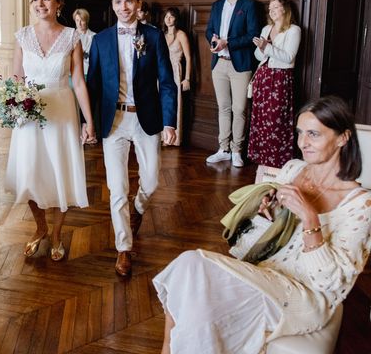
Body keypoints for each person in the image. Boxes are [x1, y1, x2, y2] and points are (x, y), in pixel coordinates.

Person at [153, 96, 371, 354]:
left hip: (305, 297)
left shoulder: (360, 205)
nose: (303, 143)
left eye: (314, 134)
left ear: (343, 138)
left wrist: (310, 219)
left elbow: (330, 283)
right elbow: (249, 247)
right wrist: (266, 216)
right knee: (189, 268)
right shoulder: (293, 169)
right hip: (263, 272)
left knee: (195, 284)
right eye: (300, 133)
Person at [87, 0, 178, 276]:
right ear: (112, 5)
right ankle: (123, 248)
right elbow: (92, 86)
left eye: (129, 2)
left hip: (146, 119)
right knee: (117, 188)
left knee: (150, 181)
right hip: (112, 121)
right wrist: (87, 123)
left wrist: (169, 122)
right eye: (118, 2)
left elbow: (166, 81)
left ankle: (138, 209)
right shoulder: (100, 40)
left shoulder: (153, 37)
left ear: (139, 4)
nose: (123, 8)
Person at [5, 0, 96, 262]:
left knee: (60, 171)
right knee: (31, 172)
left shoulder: (72, 37)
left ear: (58, 3)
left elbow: (79, 82)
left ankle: (57, 233)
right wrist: (12, 107)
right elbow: (16, 80)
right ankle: (40, 227)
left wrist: (88, 121)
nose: (40, 4)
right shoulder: (22, 36)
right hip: (30, 115)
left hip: (61, 112)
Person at [205, 0, 260, 168]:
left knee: (239, 109)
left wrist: (227, 42)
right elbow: (210, 29)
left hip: (241, 65)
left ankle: (237, 150)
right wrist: (212, 38)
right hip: (218, 63)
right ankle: (223, 149)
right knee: (224, 108)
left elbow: (252, 35)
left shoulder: (250, 6)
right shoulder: (217, 5)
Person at [248, 0, 301, 176]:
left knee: (277, 118)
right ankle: (262, 160)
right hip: (263, 76)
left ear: (285, 9)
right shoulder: (266, 29)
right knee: (261, 119)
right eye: (270, 8)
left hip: (280, 77)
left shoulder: (294, 30)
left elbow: (288, 57)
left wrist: (267, 47)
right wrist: (262, 48)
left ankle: (277, 162)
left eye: (275, 7)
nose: (271, 11)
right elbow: (258, 55)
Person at [162, 7, 192, 146]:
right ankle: (161, 136)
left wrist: (187, 78)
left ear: (176, 19)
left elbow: (189, 57)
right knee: (161, 102)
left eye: (171, 16)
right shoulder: (161, 35)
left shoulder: (181, 35)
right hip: (161, 71)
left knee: (174, 102)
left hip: (175, 71)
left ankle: (173, 138)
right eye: (166, 16)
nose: (168, 19)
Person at [73, 8, 96, 75]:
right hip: (73, 71)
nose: (79, 23)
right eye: (77, 20)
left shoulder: (95, 36)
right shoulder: (70, 36)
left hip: (90, 71)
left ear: (86, 21)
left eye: (82, 20)